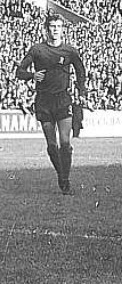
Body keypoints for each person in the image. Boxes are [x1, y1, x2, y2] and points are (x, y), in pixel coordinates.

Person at [15, 13, 87, 195]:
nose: (55, 29)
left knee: (65, 143)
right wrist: (32, 75)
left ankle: (65, 180)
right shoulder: (37, 50)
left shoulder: (70, 51)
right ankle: (62, 177)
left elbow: (80, 71)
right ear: (46, 29)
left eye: (58, 26)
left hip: (63, 100)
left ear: (63, 29)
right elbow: (19, 71)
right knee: (51, 145)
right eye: (52, 26)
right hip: (44, 101)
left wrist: (82, 91)